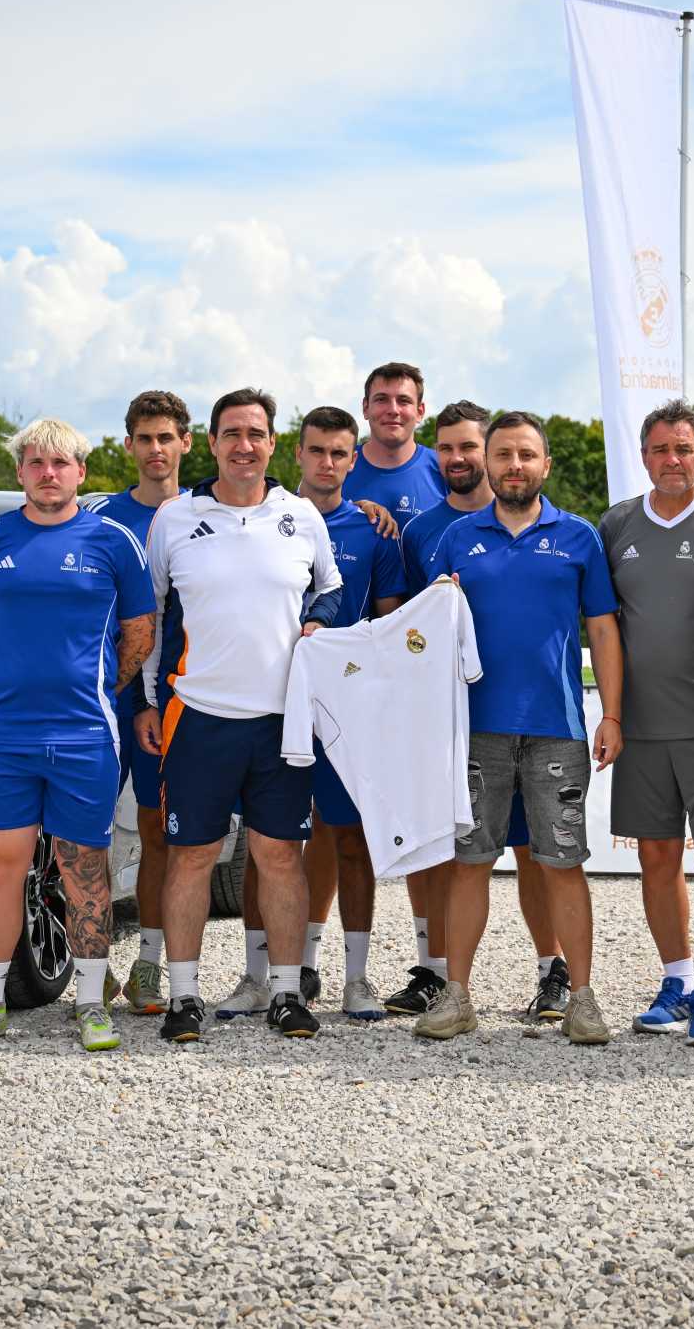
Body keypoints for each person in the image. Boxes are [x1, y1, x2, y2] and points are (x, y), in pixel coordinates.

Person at [136, 388, 342, 1043]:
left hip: (282, 720)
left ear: (273, 444)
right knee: (192, 855)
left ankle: (286, 992)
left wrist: (318, 621)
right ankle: (183, 996)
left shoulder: (301, 516)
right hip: (197, 714)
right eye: (231, 433)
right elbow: (151, 614)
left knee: (279, 855)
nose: (244, 446)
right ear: (211, 442)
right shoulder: (175, 518)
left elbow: (332, 589)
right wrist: (148, 700)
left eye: (255, 434)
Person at [0, 417, 155, 1053]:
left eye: (61, 463)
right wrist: (11, 683)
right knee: (2, 868)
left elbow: (139, 634)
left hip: (86, 733)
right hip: (6, 735)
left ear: (81, 472)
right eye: (36, 463)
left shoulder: (113, 541)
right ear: (20, 471)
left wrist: (94, 688)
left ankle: (89, 1003)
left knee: (83, 869)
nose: (48, 474)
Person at [414, 410, 622, 1045]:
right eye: (503, 454)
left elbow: (603, 629)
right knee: (470, 862)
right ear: (487, 462)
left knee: (563, 862)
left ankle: (581, 999)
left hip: (557, 729)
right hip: (476, 730)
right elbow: (429, 631)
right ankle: (457, 997)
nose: (514, 466)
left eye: (526, 455)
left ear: (545, 465)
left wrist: (612, 713)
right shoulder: (457, 538)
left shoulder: (580, 537)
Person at [216, 406, 406, 1023]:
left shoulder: (373, 531)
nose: (327, 462)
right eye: (317, 450)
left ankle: (356, 979)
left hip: (345, 707)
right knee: (267, 842)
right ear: (295, 453)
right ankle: (257, 976)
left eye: (339, 452)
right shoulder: (264, 516)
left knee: (350, 840)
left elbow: (389, 625)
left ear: (354, 460)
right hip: (269, 701)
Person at [383, 401, 569, 1025]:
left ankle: (553, 971)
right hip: (456, 720)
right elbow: (411, 626)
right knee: (448, 847)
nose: (459, 458)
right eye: (448, 448)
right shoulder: (425, 534)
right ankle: (436, 973)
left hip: (535, 718)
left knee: (536, 851)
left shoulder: (553, 527)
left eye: (470, 446)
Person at [597, 400, 694, 1049]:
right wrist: (611, 714)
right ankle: (676, 980)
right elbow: (603, 624)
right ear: (644, 456)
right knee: (656, 857)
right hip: (640, 725)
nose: (672, 460)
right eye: (660, 449)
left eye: (684, 448)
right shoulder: (615, 525)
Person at [86, 389, 193, 1017]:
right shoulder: (98, 516)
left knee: (159, 830)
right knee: (83, 833)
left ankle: (149, 964)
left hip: (169, 699)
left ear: (185, 443)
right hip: (101, 695)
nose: (156, 449)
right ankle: (91, 964)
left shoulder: (207, 512)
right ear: (128, 445)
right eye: (144, 438)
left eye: (166, 438)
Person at [342, 361, 447, 524]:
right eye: (381, 399)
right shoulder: (337, 465)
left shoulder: (445, 470)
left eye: (403, 400)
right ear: (365, 408)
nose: (393, 410)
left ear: (420, 412)